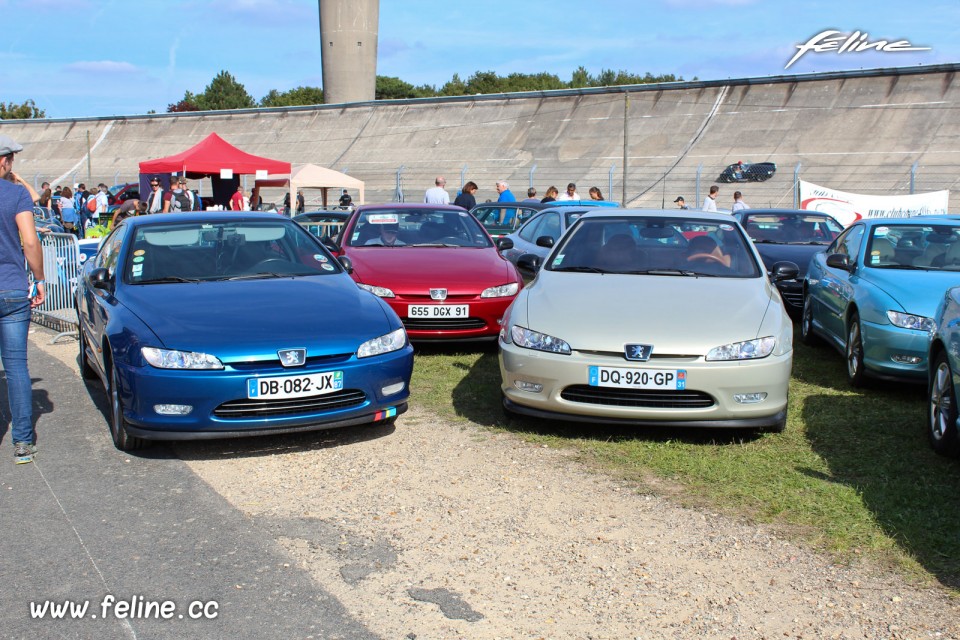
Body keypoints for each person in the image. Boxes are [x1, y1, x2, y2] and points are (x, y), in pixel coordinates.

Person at [0, 135, 46, 464]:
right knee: (16, 367)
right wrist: (40, 279)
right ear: (5, 161)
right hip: (12, 288)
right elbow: (30, 241)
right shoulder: (15, 194)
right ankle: (23, 442)